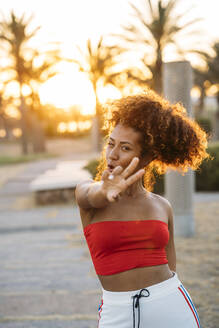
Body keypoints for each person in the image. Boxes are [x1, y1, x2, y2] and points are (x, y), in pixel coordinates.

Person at [75, 89, 209, 328]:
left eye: (125, 148)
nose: (113, 155)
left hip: (170, 304)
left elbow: (171, 265)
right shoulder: (89, 194)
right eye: (111, 144)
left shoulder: (162, 206)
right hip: (117, 311)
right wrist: (103, 192)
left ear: (146, 157)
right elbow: (91, 196)